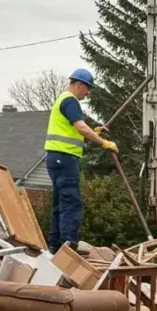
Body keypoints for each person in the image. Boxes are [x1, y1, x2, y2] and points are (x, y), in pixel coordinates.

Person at [43, 68, 118, 254]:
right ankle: (69, 245)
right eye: (88, 88)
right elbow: (82, 128)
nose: (89, 92)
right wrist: (104, 143)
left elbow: (78, 133)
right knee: (71, 202)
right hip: (65, 159)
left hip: (56, 158)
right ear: (78, 84)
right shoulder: (70, 101)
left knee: (60, 203)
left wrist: (96, 132)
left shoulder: (62, 100)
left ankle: (55, 246)